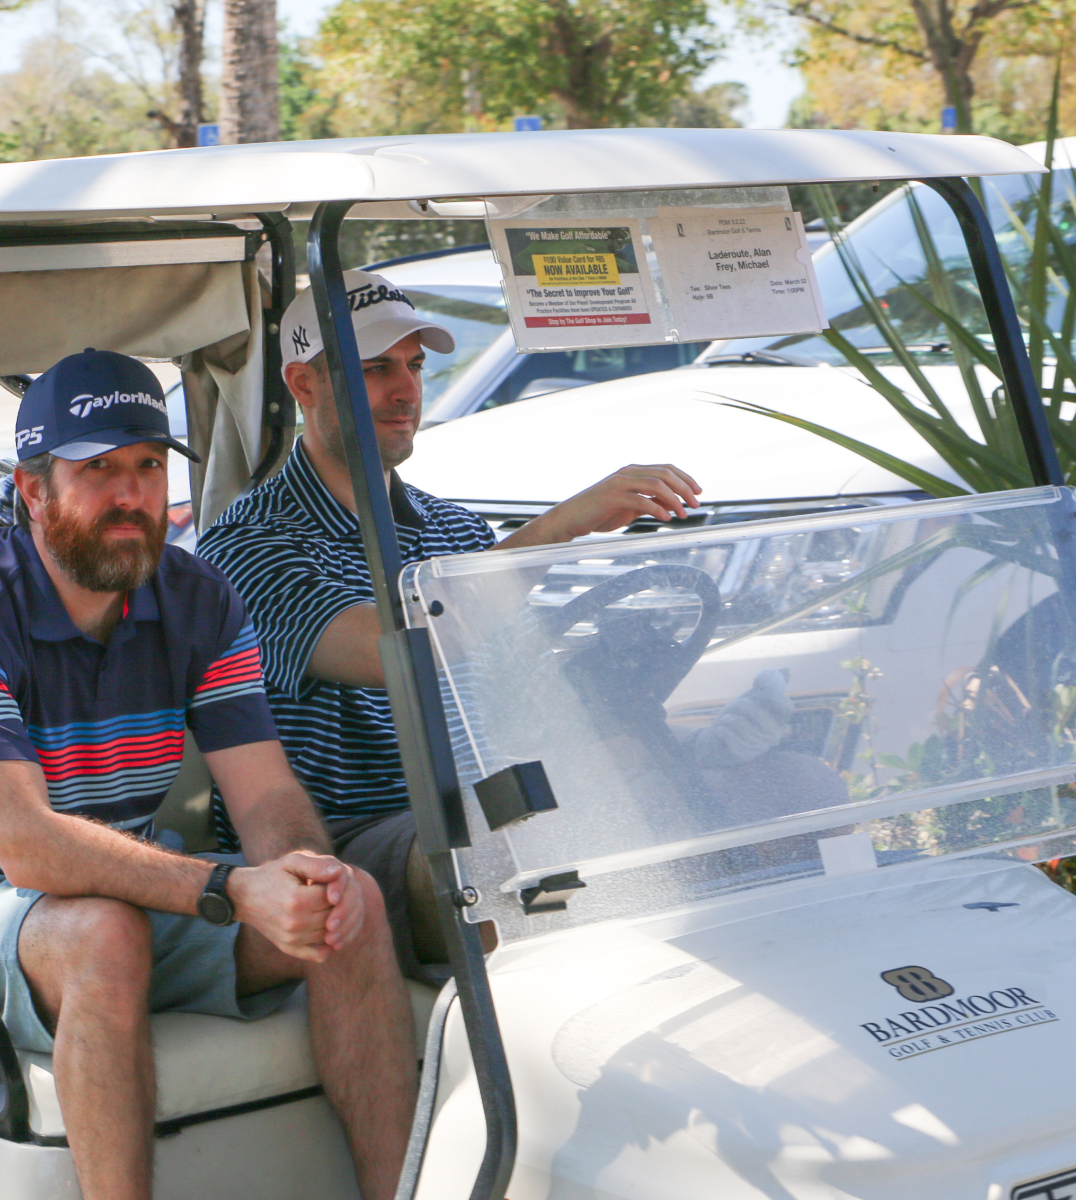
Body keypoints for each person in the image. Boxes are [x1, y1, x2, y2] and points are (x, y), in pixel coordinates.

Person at [0, 348, 414, 1200]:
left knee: (352, 903)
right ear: (33, 490)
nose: (131, 496)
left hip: (118, 894)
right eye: (99, 470)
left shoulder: (198, 596)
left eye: (150, 466)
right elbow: (28, 849)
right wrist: (233, 889)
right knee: (103, 935)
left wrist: (301, 873)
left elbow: (265, 791)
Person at [199, 270, 806, 977]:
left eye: (414, 366)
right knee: (508, 848)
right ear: (303, 385)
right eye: (374, 369)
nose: (406, 390)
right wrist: (559, 528)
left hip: (481, 812)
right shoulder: (249, 543)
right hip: (351, 843)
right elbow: (388, 651)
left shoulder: (454, 529)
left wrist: (689, 755)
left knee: (791, 788)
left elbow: (531, 706)